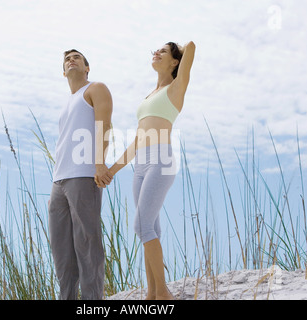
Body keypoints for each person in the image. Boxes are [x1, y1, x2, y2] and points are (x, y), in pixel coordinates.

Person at [98, 41, 195, 300]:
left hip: (161, 161)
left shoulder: (176, 88)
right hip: (140, 164)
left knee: (142, 225)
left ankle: (163, 293)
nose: (156, 53)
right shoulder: (150, 95)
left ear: (175, 61)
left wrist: (180, 48)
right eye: (156, 50)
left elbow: (192, 47)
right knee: (150, 227)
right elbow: (137, 140)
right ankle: (152, 294)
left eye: (163, 51)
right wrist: (112, 170)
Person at [48, 49, 113, 300]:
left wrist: (99, 163)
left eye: (77, 58)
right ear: (63, 71)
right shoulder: (67, 102)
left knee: (87, 247)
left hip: (84, 176)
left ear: (87, 68)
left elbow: (105, 125)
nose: (71, 60)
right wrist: (55, 180)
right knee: (62, 252)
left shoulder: (96, 88)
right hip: (59, 181)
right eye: (67, 59)